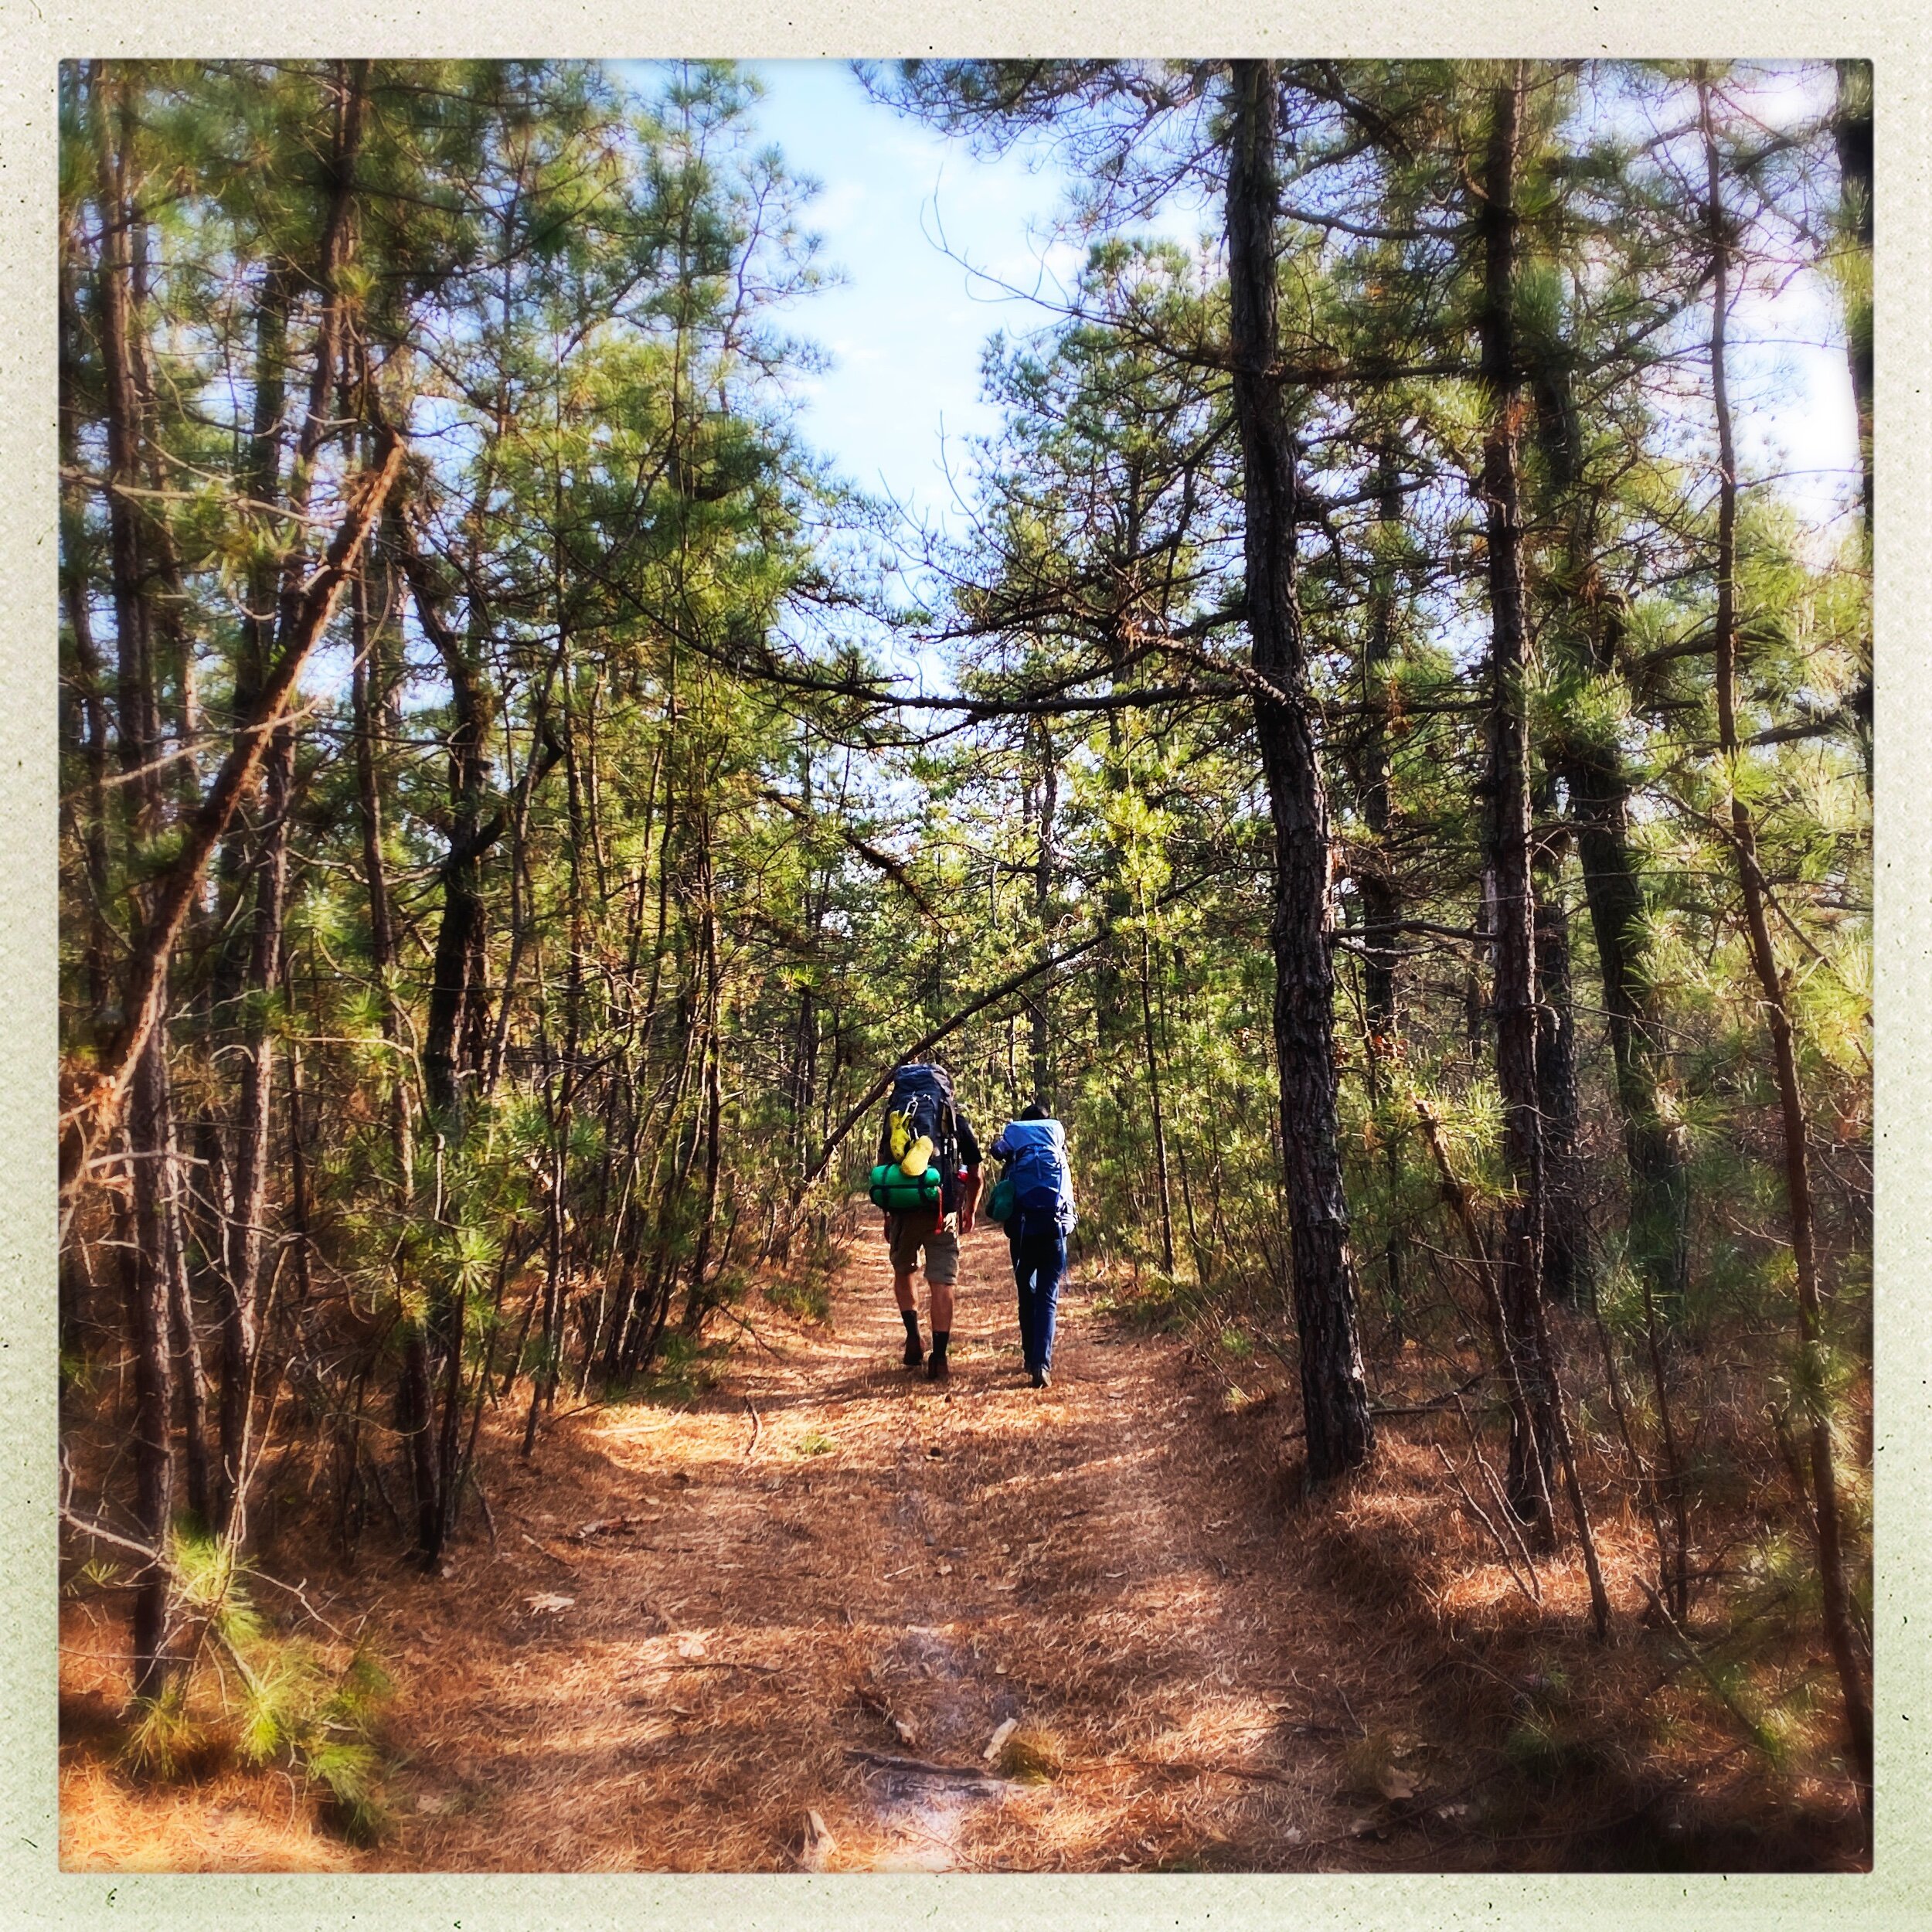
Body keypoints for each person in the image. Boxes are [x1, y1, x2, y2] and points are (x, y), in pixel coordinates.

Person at [875, 1062, 981, 1381]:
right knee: (942, 1282)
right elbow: (975, 1172)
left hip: (903, 1210)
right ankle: (940, 1357)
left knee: (904, 1270)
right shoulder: (953, 1118)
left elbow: (884, 1164)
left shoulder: (897, 1117)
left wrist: (888, 1213)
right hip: (941, 1211)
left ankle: (912, 1337)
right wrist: (969, 1210)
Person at [989, 1101, 1076, 1388]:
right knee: (1048, 1297)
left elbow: (996, 1155)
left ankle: (1029, 1357)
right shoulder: (1057, 1144)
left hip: (1023, 1230)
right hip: (1054, 1229)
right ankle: (1042, 1364)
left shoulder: (1014, 1142)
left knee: (1026, 1294)